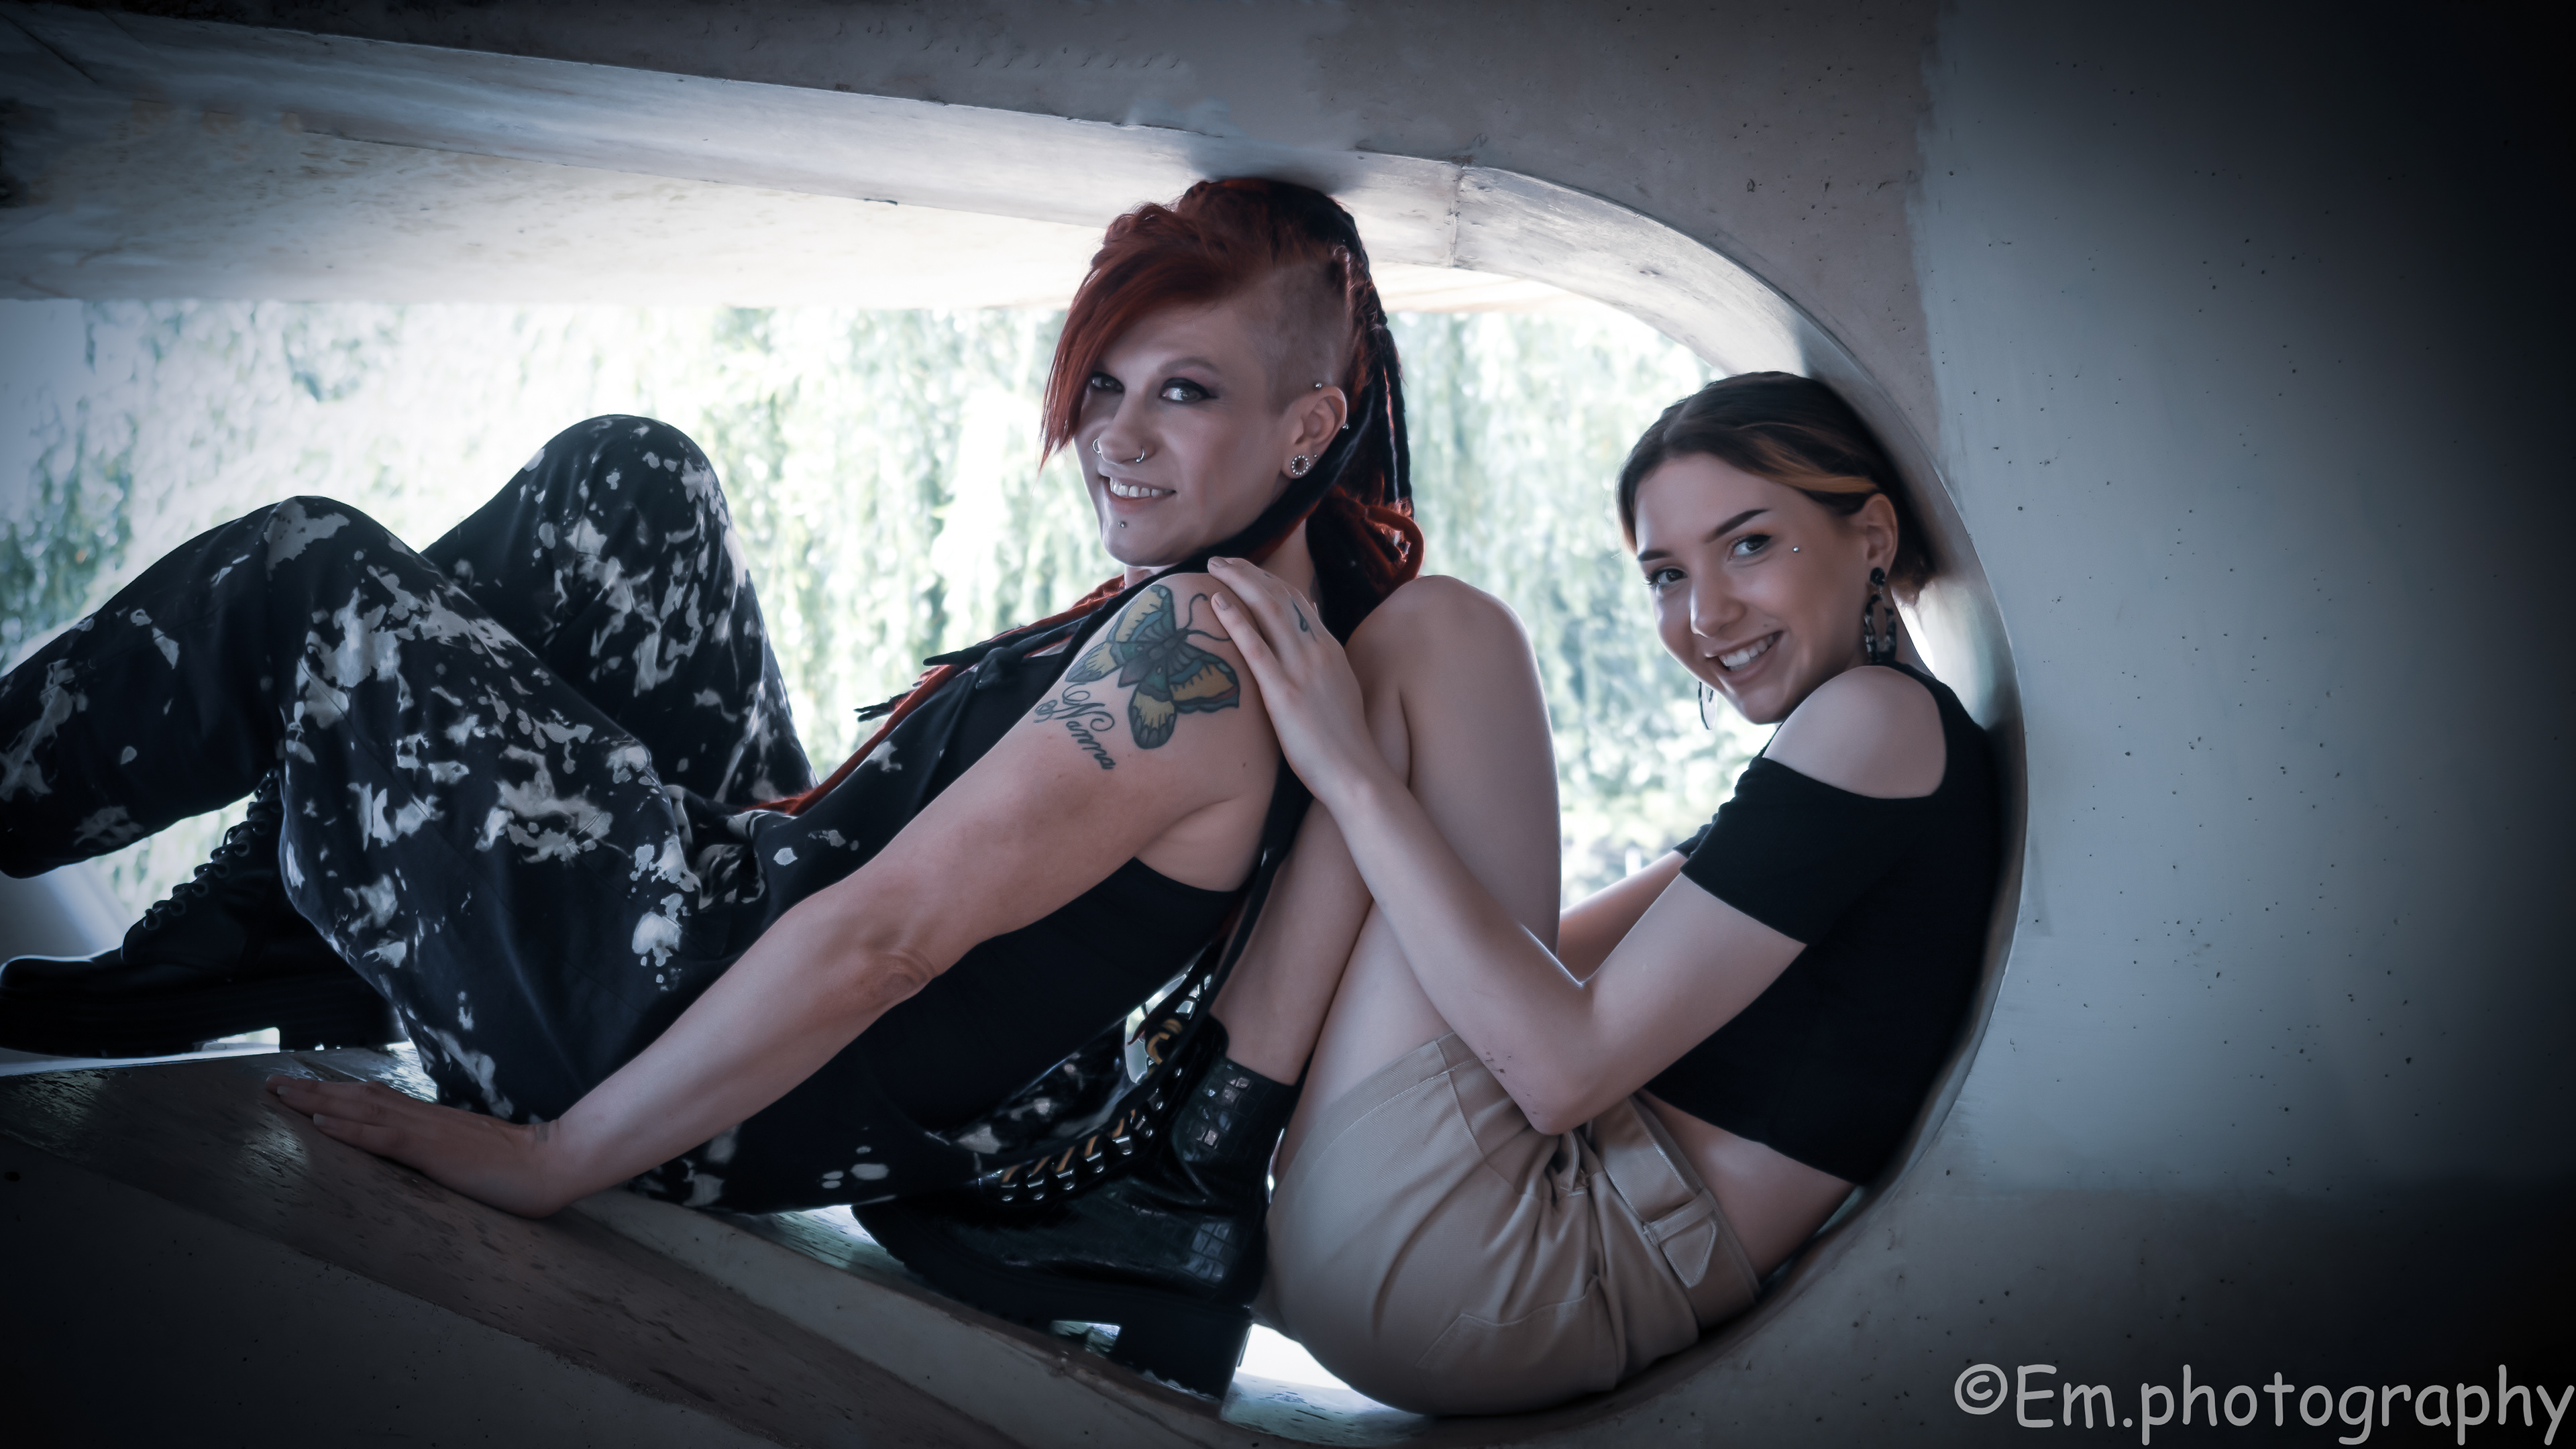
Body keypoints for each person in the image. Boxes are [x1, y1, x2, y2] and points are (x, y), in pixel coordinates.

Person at [0, 177, 1423, 1390]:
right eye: (1107, 383)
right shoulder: (1267, 618)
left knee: (306, 571)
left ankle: (196, 883)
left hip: (678, 1035)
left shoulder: (1195, 651)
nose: (1116, 437)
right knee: (634, 482)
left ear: (1309, 427)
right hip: (753, 924)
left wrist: (557, 1160)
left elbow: (889, 940)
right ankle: (271, 934)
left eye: (1187, 392)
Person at [873, 372, 2002, 1415]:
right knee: (1422, 693)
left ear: (1872, 536)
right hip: (1471, 1268)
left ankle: (1176, 1177)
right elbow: (1536, 957)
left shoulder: (1878, 721)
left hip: (1536, 1266)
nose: (1705, 616)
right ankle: (1171, 1166)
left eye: (1749, 545)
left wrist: (1350, 770)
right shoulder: (1847, 753)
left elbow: (1560, 1070)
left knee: (1446, 634)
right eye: (1667, 576)